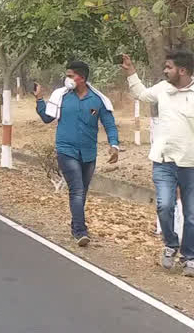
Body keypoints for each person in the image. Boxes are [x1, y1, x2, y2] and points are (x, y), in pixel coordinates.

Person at [122, 51, 194, 275]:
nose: (165, 71)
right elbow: (142, 94)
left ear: (182, 70)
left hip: (190, 163)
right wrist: (131, 71)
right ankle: (170, 245)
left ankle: (189, 257)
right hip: (163, 160)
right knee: (164, 206)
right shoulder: (162, 89)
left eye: (169, 67)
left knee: (191, 213)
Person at [35, 61, 119, 247]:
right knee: (77, 190)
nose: (67, 79)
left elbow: (109, 124)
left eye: (71, 75)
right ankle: (81, 231)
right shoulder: (61, 96)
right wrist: (39, 100)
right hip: (66, 150)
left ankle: (75, 224)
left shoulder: (98, 100)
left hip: (89, 153)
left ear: (81, 78)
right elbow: (47, 118)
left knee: (82, 191)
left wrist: (114, 144)